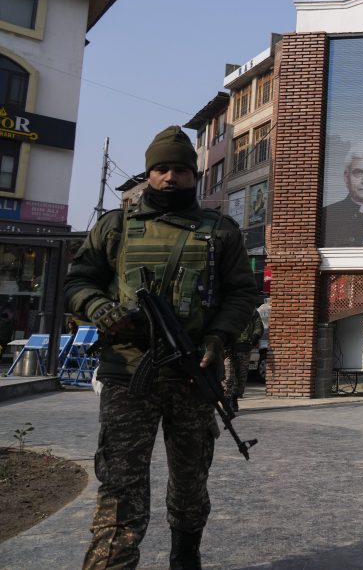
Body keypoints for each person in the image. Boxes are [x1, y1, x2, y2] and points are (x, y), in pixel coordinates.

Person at [65, 126, 259, 570]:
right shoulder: (115, 227)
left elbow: (243, 293)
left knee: (191, 479)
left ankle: (185, 556)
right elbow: (78, 281)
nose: (170, 178)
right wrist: (99, 307)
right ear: (149, 173)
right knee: (120, 481)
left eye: (180, 170)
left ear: (195, 175)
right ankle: (112, 562)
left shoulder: (220, 232)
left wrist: (218, 335)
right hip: (128, 376)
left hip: (193, 375)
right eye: (161, 169)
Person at [223, 307, 263, 411]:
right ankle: (227, 399)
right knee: (228, 376)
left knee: (241, 376)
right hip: (228, 349)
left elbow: (258, 326)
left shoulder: (252, 310)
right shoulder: (226, 308)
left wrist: (255, 336)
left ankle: (234, 398)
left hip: (244, 348)